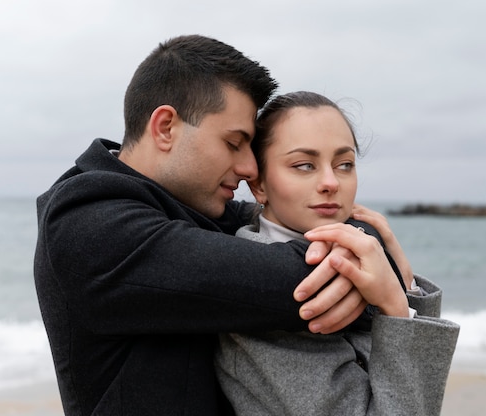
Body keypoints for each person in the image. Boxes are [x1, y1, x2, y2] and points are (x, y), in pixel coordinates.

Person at [34, 35, 391, 415]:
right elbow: (284, 279)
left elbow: (313, 222)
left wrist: (366, 239)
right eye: (234, 143)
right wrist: (371, 266)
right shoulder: (87, 223)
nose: (249, 168)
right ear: (166, 127)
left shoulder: (193, 207)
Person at [215, 91, 460, 416]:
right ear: (259, 185)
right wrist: (395, 307)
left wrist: (401, 274)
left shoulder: (353, 251)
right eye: (304, 165)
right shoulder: (260, 286)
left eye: (345, 164)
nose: (331, 182)